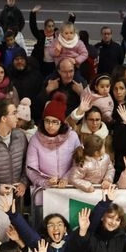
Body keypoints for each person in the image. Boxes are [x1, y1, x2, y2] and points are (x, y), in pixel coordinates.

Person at [26, 92, 82, 220]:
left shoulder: (72, 137)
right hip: (44, 193)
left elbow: (78, 162)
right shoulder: (35, 139)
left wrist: (67, 178)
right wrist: (45, 182)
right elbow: (30, 168)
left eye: (55, 122)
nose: (50, 125)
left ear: (61, 123)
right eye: (47, 121)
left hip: (68, 191)